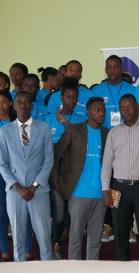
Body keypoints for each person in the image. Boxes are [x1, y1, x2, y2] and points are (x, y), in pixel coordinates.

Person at [101, 94, 139, 261]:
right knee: (120, 233)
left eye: (129, 106)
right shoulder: (113, 133)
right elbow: (107, 163)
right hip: (118, 188)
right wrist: (106, 190)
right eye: (123, 107)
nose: (126, 110)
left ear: (137, 107)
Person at [51, 97, 109, 260]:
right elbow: (55, 156)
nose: (101, 112)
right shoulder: (74, 130)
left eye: (103, 109)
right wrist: (56, 182)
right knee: (75, 239)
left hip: (100, 194)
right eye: (97, 110)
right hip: (78, 193)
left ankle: (92, 269)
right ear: (88, 112)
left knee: (95, 239)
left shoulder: (107, 134)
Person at [0, 91, 54, 261]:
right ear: (14, 106)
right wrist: (17, 187)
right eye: (19, 102)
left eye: (26, 102)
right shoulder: (4, 130)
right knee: (18, 236)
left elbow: (48, 161)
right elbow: (2, 163)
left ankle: (47, 269)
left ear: (32, 105)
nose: (23, 105)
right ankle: (19, 268)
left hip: (38, 191)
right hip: (15, 192)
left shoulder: (44, 128)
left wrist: (34, 185)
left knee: (44, 236)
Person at [44, 77, 86, 259]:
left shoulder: (81, 118)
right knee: (59, 213)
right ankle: (56, 247)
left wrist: (66, 125)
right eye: (68, 97)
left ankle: (75, 248)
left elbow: (81, 141)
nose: (71, 100)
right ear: (61, 98)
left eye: (74, 97)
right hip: (54, 168)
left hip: (74, 168)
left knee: (74, 212)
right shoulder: (48, 119)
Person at [91, 55, 137, 129]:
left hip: (127, 134)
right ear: (106, 70)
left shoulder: (132, 90)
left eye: (116, 67)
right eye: (109, 67)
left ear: (122, 69)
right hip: (103, 134)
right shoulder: (96, 91)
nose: (112, 70)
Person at [0, 91, 16, 261]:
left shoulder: (17, 123)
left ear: (11, 104)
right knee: (1, 213)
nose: (1, 105)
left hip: (16, 173)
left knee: (19, 213)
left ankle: (26, 250)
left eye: (4, 101)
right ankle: (4, 251)